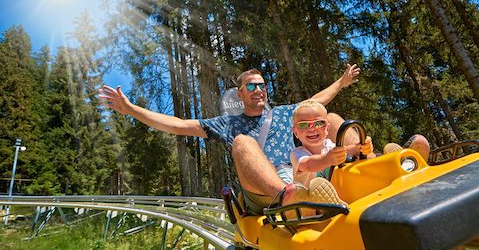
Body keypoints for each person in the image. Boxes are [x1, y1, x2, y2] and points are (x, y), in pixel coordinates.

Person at [99, 64, 361, 215]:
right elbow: (179, 125)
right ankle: (289, 201)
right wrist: (132, 110)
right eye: (251, 86)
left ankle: (367, 164)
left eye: (262, 85)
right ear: (240, 93)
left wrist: (341, 81)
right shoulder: (229, 123)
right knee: (242, 142)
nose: (258, 90)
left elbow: (317, 102)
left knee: (330, 118)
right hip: (267, 191)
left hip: (302, 171)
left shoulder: (283, 114)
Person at [290, 99, 373, 188]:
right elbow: (309, 165)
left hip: (334, 194)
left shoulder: (329, 146)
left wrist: (361, 147)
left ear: (327, 129)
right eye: (303, 125)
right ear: (296, 133)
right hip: (307, 199)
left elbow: (345, 150)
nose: (312, 129)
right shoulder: (297, 154)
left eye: (319, 123)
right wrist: (327, 159)